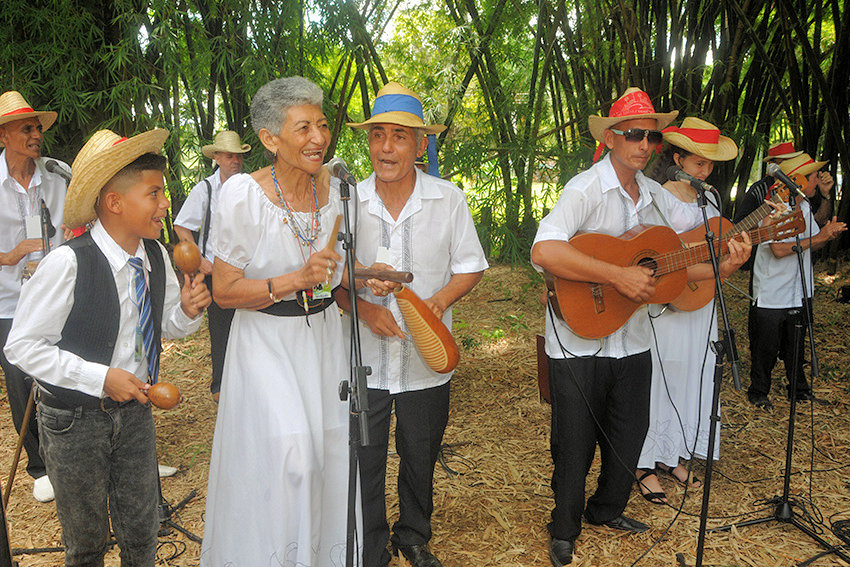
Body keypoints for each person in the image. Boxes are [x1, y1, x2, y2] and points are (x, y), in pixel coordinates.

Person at [530, 88, 751, 566]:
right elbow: (544, 251)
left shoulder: (655, 197)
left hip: (630, 338)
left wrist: (724, 266)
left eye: (650, 136)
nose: (644, 144)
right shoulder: (583, 189)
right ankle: (564, 526)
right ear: (611, 138)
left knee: (629, 433)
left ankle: (606, 511)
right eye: (634, 134)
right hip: (577, 338)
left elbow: (680, 260)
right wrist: (616, 274)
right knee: (573, 442)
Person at [4, 127, 210, 564]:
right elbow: (22, 347)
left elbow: (165, 326)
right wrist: (101, 378)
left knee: (142, 532)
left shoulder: (155, 256)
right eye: (153, 193)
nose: (165, 203)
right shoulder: (68, 262)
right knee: (86, 542)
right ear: (115, 202)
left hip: (135, 415)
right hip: (73, 421)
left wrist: (188, 312)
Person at [201, 77, 354, 566]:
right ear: (270, 139)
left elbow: (332, 273)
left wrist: (367, 275)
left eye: (323, 125)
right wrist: (292, 280)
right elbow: (223, 290)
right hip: (266, 343)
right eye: (303, 127)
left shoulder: (339, 191)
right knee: (293, 460)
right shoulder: (243, 195)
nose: (318, 138)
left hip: (325, 341)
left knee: (329, 457)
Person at [341, 82, 488, 567]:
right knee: (365, 459)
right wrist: (366, 308)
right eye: (378, 134)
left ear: (421, 144)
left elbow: (470, 265)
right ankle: (371, 545)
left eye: (400, 137)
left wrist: (432, 305)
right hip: (364, 360)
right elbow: (324, 281)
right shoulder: (347, 203)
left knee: (420, 452)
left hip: (426, 360)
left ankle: (413, 533)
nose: (387, 147)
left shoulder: (447, 200)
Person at [636, 117, 739, 504]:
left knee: (694, 374)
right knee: (662, 376)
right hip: (667, 303)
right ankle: (644, 463)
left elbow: (715, 252)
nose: (705, 170)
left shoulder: (709, 199)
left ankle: (673, 455)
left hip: (701, 301)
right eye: (698, 163)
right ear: (677, 158)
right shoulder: (657, 196)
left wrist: (731, 260)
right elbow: (653, 252)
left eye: (710, 164)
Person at [0, 90, 68, 503]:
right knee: (20, 380)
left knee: (63, 369)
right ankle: (39, 466)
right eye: (26, 127)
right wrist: (10, 255)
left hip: (57, 295)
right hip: (8, 299)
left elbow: (81, 218)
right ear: (4, 135)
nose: (36, 133)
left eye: (38, 126)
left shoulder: (58, 175)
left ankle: (68, 456)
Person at [745, 153, 846, 410]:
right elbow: (779, 250)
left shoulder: (801, 207)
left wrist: (827, 234)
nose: (817, 180)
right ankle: (758, 392)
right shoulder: (774, 208)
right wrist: (820, 237)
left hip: (798, 291)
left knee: (796, 347)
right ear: (798, 180)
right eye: (812, 177)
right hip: (771, 292)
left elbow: (814, 239)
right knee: (765, 349)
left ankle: (799, 390)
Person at [173, 130, 250, 400]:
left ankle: (245, 382)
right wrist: (199, 261)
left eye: (238, 156)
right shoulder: (205, 189)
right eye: (229, 156)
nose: (235, 161)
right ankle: (220, 387)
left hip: (245, 269)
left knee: (248, 324)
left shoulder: (249, 187)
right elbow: (182, 225)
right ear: (216, 158)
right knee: (221, 326)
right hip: (214, 271)